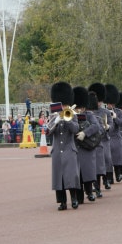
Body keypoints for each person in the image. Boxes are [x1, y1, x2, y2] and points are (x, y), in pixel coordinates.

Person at [47, 82, 80, 211]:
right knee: (58, 176)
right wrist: (55, 121)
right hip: (57, 150)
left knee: (71, 175)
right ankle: (62, 202)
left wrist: (67, 120)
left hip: (69, 149)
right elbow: (48, 132)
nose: (63, 106)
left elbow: (76, 129)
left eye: (65, 104)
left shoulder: (72, 115)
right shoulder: (53, 115)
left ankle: (74, 199)